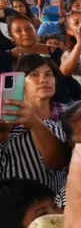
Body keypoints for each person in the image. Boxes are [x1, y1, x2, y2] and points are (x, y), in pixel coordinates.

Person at [0, 54, 70, 191]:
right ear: (20, 83)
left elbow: (60, 162)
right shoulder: (7, 116)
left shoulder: (69, 114)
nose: (43, 80)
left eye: (49, 74)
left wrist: (35, 123)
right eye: (34, 75)